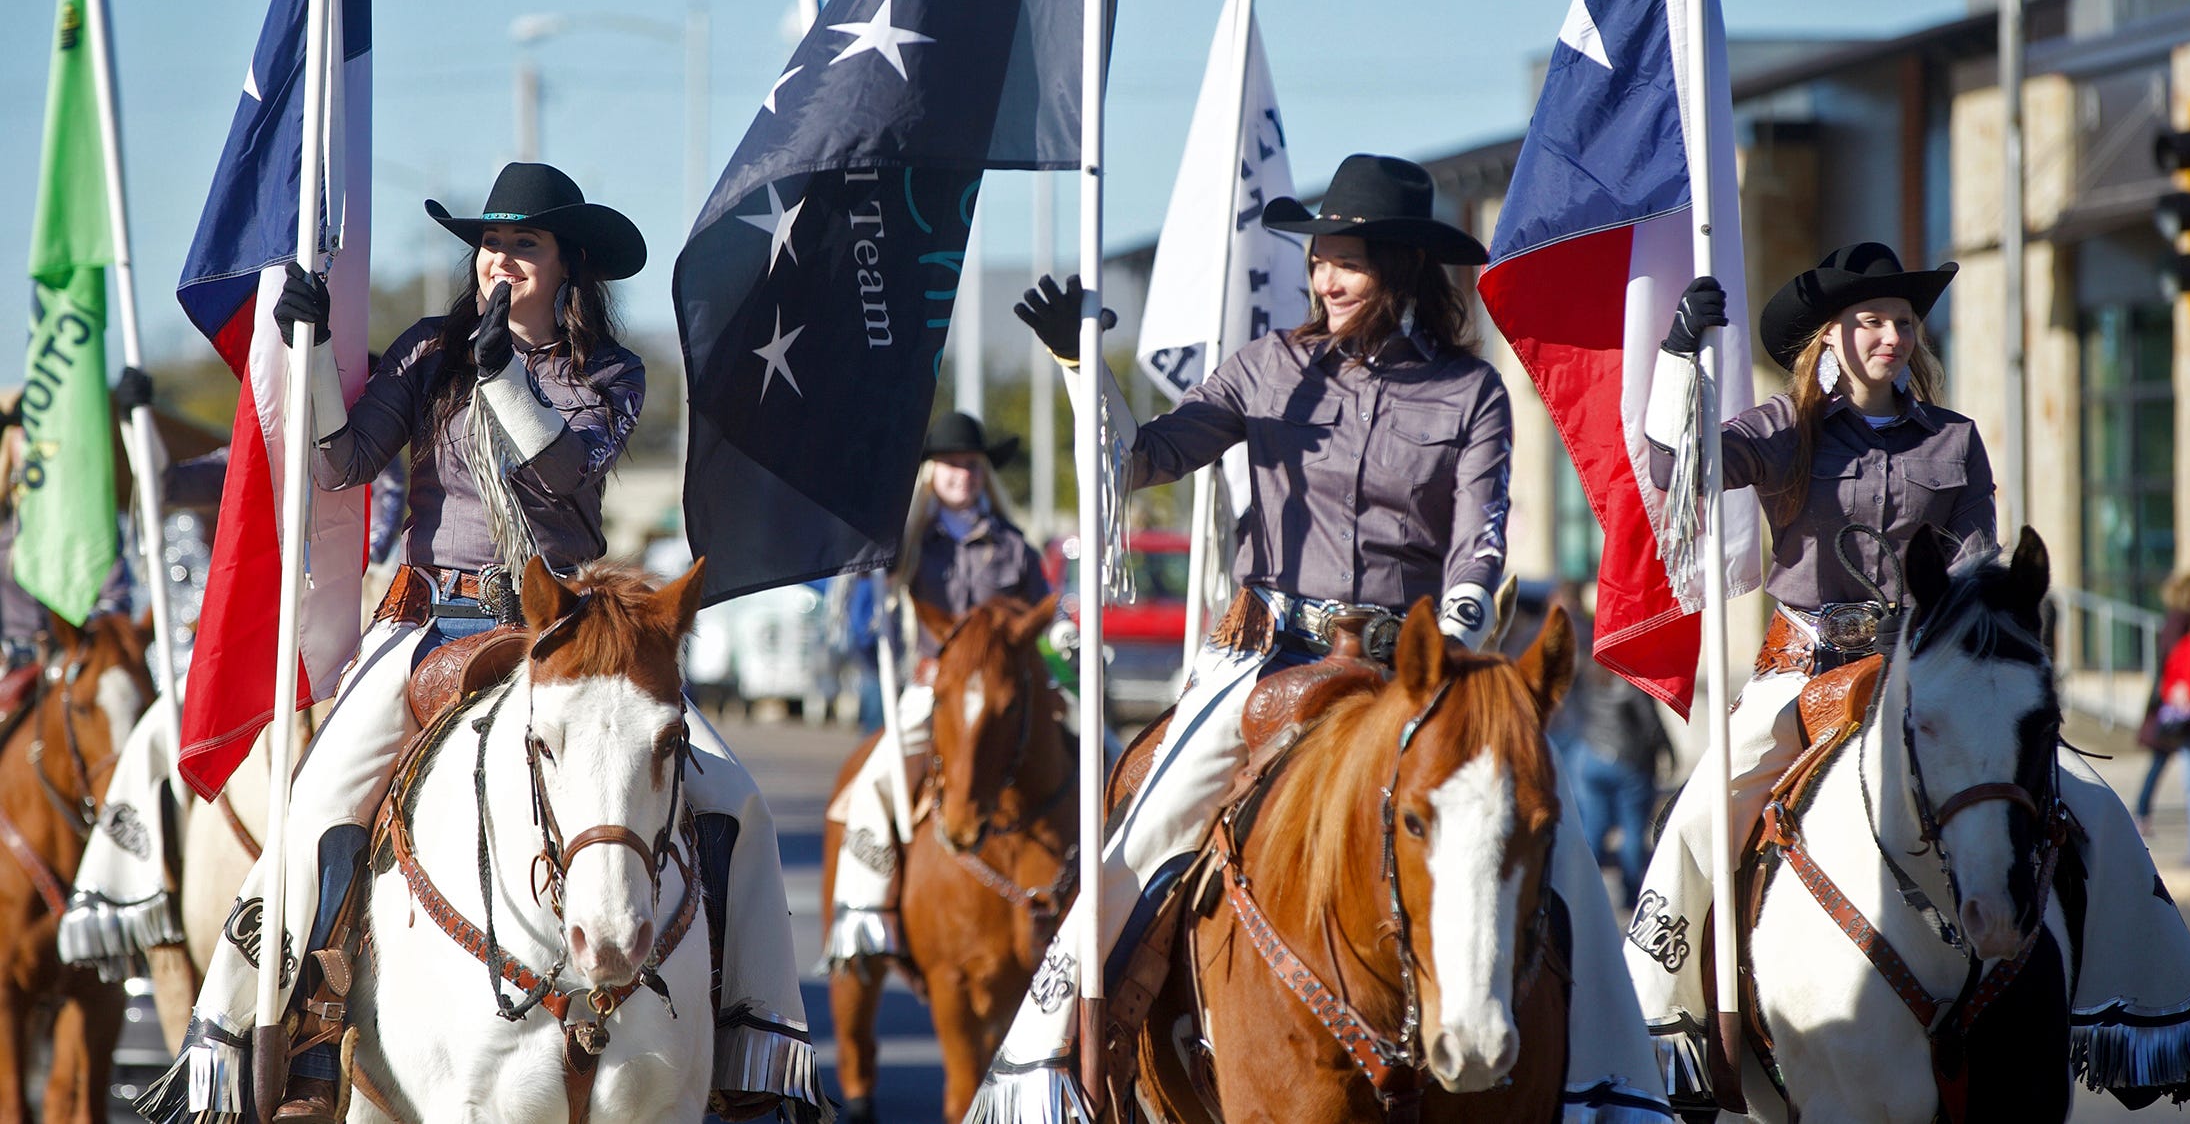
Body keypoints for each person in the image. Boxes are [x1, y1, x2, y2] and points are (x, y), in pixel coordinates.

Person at [966, 154, 1667, 1121]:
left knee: (1550, 829)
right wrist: (1085, 367)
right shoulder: (1266, 367)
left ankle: (1612, 1091)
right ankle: (1042, 1068)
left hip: (1413, 664)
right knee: (1146, 823)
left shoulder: (1470, 392)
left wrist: (1456, 628)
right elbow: (1145, 458)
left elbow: (1481, 534)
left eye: (1346, 262)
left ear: (1403, 270)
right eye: (1318, 259)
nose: (1324, 278)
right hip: (1271, 656)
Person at [139, 163, 824, 1124]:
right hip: (435, 624)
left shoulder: (609, 376)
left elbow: (556, 471)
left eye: (524, 245)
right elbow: (344, 459)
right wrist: (309, 344)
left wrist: (505, 372)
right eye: (489, 244)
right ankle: (277, 1030)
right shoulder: (431, 348)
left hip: (571, 631)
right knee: (316, 802)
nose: (499, 260)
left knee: (734, 795)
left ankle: (756, 1054)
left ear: (567, 267)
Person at [1628, 242, 2190, 1105]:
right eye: (1869, 321)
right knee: (1701, 811)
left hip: (1930, 667)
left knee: (2095, 803)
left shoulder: (1952, 439)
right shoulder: (1782, 429)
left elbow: (1973, 563)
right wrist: (1679, 361)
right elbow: (1678, 475)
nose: (1889, 336)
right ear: (1831, 336)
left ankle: (2144, 1005)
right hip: (1807, 667)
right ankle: (1664, 1023)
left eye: (1900, 321)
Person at [823, 410, 1050, 966]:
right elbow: (867, 596)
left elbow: (1042, 605)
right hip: (934, 688)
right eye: (950, 464)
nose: (962, 474)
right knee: (873, 781)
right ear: (932, 472)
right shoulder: (905, 543)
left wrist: (1062, 631)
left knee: (1101, 757)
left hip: (1007, 692)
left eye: (970, 465)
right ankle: (864, 912)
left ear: (983, 473)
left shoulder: (1013, 545)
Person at [1550, 583, 1671, 901]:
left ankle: (1581, 892)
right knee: (1632, 832)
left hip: (1591, 755)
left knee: (1593, 828)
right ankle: (1632, 895)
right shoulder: (1631, 675)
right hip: (1627, 761)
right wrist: (1666, 752)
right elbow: (1649, 722)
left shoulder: (1591, 665)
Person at [2135, 570, 2190, 837]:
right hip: (2176, 704)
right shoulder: (2181, 621)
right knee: (2166, 760)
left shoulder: (2174, 618)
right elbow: (2178, 663)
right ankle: (2142, 811)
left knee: (2162, 760)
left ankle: (2142, 811)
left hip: (2169, 699)